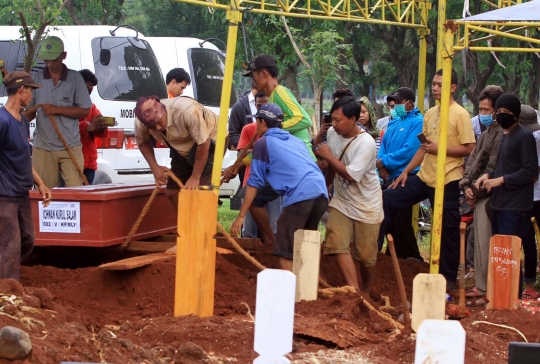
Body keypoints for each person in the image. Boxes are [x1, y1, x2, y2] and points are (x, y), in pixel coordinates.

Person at [379, 69, 476, 287]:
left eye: (440, 84)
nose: (435, 88)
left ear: (453, 87)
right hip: (424, 176)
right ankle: (376, 254)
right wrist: (406, 171)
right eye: (434, 83)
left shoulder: (460, 114)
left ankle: (448, 279)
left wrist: (439, 148)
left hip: (448, 178)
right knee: (387, 198)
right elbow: (424, 148)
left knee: (447, 229)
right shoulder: (431, 112)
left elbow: (470, 147)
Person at [230, 103, 328, 271]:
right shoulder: (295, 140)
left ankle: (290, 294)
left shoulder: (263, 143)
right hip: (320, 192)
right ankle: (309, 291)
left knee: (284, 249)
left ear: (262, 122)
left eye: (257, 122)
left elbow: (253, 183)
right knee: (305, 244)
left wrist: (241, 216)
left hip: (301, 194)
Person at [314, 97, 383, 294]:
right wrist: (326, 185)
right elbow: (334, 161)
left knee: (366, 255)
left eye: (338, 120)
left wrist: (328, 157)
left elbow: (352, 175)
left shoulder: (366, 143)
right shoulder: (332, 133)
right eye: (332, 119)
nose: (333, 124)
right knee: (337, 242)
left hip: (367, 204)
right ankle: (353, 290)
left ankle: (366, 291)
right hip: (342, 202)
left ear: (353, 119)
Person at [475, 95, 538, 300]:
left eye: (505, 113)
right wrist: (488, 176)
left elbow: (529, 171)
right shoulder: (504, 136)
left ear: (516, 115)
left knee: (510, 254)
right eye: (498, 111)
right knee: (500, 253)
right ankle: (500, 295)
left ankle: (512, 297)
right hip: (500, 204)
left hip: (516, 206)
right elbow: (503, 168)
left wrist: (501, 180)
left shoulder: (524, 136)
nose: (501, 116)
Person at [0, 71, 52, 280]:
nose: (32, 96)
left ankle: (5, 275)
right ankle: (7, 291)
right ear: (21, 91)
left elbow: (23, 157)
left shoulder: (21, 121)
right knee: (9, 244)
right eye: (30, 91)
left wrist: (40, 183)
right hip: (4, 194)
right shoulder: (2, 121)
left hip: (21, 192)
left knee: (27, 238)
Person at [458, 85, 504, 305]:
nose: (483, 114)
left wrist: (473, 190)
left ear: (498, 110)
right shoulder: (485, 133)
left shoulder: (501, 135)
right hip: (477, 196)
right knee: (478, 245)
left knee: (487, 245)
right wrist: (466, 186)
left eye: (487, 110)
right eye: (481, 109)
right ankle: (482, 285)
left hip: (489, 198)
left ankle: (489, 289)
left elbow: (492, 167)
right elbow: (471, 163)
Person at [27, 36, 92, 188]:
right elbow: (30, 112)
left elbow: (85, 110)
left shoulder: (75, 78)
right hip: (42, 146)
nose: (49, 64)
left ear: (64, 56)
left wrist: (57, 109)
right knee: (43, 194)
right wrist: (15, 118)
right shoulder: (36, 78)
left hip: (71, 145)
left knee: (76, 192)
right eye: (46, 60)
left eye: (53, 59)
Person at [134, 95, 221, 207]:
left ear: (164, 111)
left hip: (211, 139)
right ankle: (185, 224)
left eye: (159, 122)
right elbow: (143, 142)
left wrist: (195, 177)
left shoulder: (187, 110)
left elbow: (204, 143)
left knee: (200, 193)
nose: (158, 128)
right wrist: (155, 167)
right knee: (173, 192)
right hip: (182, 148)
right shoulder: (140, 122)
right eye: (152, 126)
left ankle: (201, 224)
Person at [376, 87, 424, 261]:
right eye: (393, 103)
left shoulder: (418, 121)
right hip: (388, 175)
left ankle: (410, 255)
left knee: (400, 218)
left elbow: (410, 151)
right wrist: (381, 166)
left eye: (399, 102)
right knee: (393, 217)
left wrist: (384, 162)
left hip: (407, 174)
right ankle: (397, 255)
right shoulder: (394, 123)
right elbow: (383, 146)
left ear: (410, 103)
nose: (395, 105)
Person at [235, 92, 282, 239]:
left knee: (273, 225)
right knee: (249, 229)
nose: (260, 108)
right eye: (258, 106)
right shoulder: (249, 129)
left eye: (265, 106)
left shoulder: (280, 136)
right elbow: (241, 153)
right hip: (252, 180)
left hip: (272, 184)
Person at [78, 69, 108, 185]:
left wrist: (101, 128)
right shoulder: (65, 105)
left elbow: (102, 133)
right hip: (71, 162)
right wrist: (87, 127)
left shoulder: (92, 107)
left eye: (90, 91)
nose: (88, 94)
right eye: (86, 89)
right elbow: (64, 126)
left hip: (89, 163)